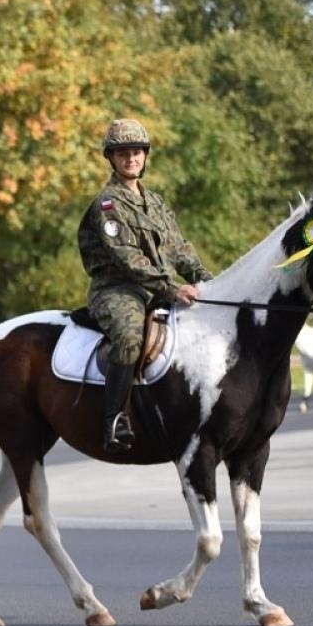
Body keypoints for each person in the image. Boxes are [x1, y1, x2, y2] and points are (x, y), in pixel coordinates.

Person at [77, 118, 213, 451]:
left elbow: (179, 248)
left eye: (136, 151)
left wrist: (207, 281)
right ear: (111, 157)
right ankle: (114, 420)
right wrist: (172, 288)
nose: (131, 158)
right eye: (122, 152)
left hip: (156, 287)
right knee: (129, 336)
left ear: (145, 155)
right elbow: (127, 259)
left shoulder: (156, 202)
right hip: (117, 290)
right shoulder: (107, 205)